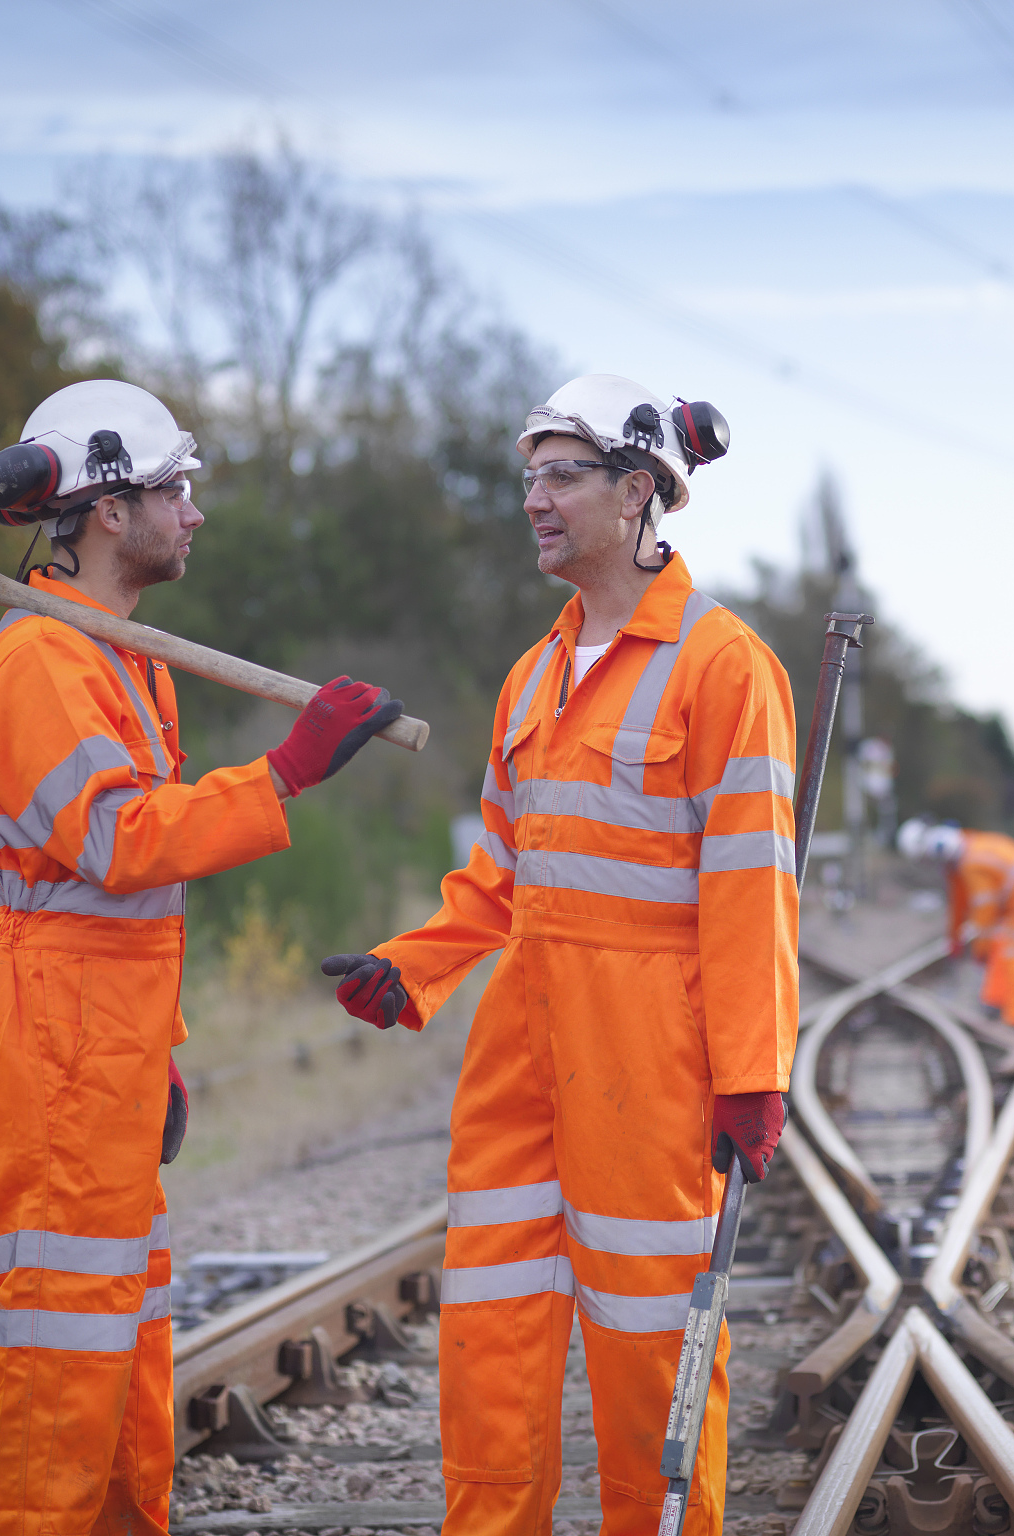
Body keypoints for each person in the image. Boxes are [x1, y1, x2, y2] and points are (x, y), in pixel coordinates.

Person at [320, 375, 796, 1536]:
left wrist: (752, 1072)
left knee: (646, 1341)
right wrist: (416, 965)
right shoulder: (531, 678)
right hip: (520, 1045)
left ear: (640, 494)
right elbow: (501, 872)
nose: (534, 501)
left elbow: (750, 896)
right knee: (490, 1332)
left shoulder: (722, 666)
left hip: (649, 1052)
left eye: (561, 476)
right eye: (527, 477)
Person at [0, 379, 404, 1534]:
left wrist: (158, 1052)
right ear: (108, 510)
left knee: (116, 1350)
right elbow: (115, 843)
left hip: (97, 1047)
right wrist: (283, 772)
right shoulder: (42, 662)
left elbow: (118, 911)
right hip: (45, 1055)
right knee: (56, 1358)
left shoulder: (117, 655)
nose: (192, 514)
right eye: (175, 491)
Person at [897, 819, 1014, 1029]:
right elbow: (960, 903)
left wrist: (980, 948)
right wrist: (955, 940)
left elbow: (985, 913)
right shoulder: (973, 848)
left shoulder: (972, 864)